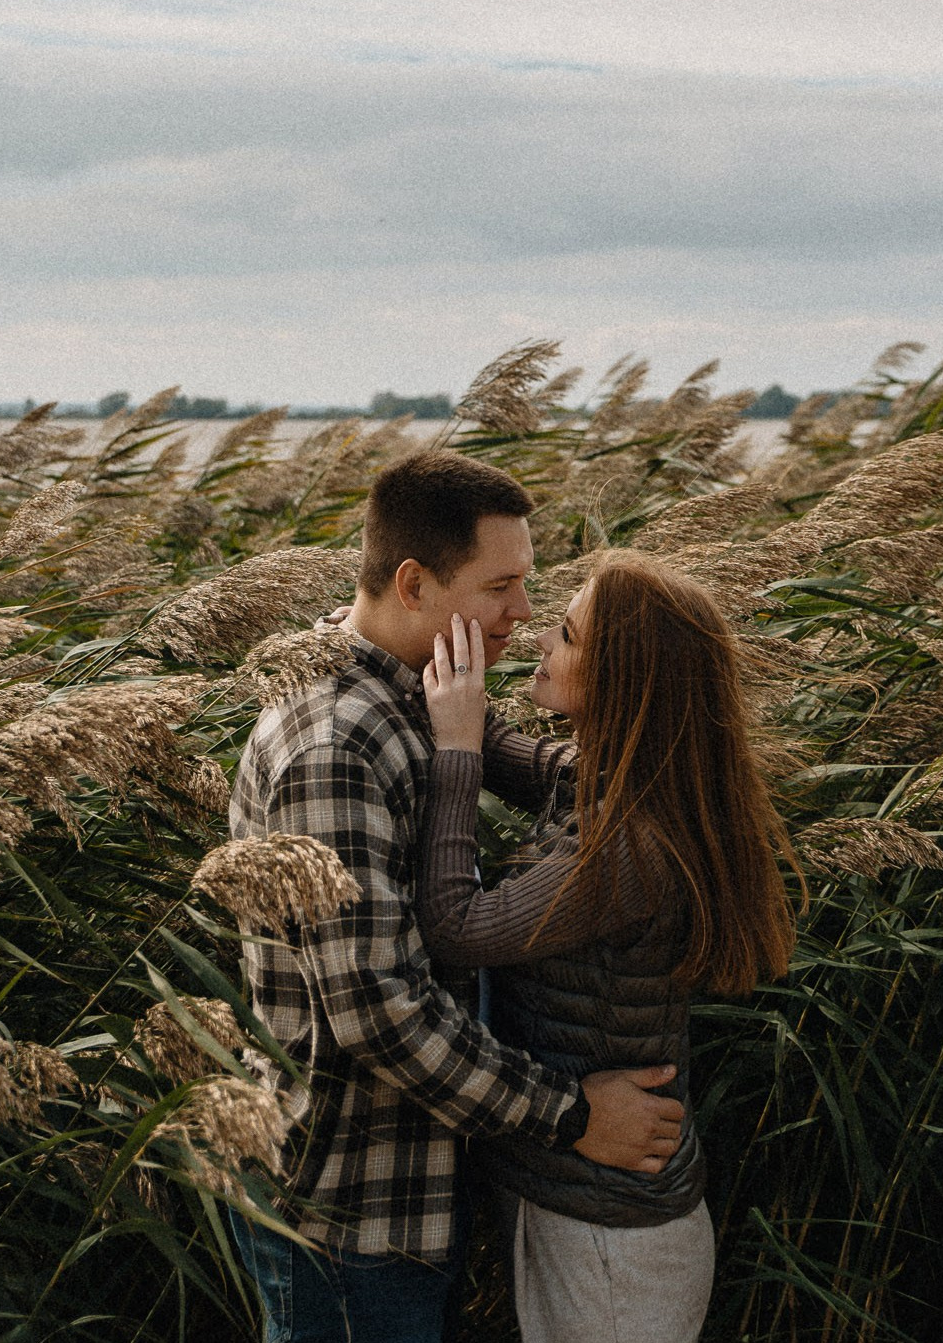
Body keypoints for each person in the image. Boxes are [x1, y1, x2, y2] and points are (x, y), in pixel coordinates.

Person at [228, 452, 687, 1343]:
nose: (523, 611)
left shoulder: (417, 691)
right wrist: (572, 1114)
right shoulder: (336, 746)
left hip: (407, 1191)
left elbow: (543, 766)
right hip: (347, 1211)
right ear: (413, 584)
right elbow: (377, 1012)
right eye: (500, 586)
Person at [415, 551, 798, 1343]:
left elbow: (457, 926)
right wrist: (411, 651)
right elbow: (506, 750)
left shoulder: (627, 844)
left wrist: (453, 754)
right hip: (594, 1214)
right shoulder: (622, 780)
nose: (540, 640)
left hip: (610, 1247)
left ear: (620, 677)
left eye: (564, 634)